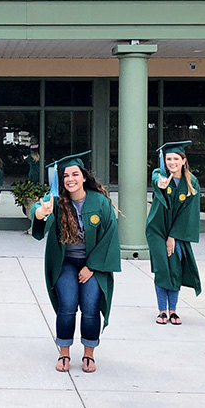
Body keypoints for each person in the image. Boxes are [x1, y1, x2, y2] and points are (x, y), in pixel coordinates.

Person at [31, 151, 121, 374]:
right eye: (65, 176)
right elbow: (39, 211)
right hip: (66, 262)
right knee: (67, 305)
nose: (70, 179)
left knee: (91, 307)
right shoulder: (56, 200)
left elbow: (110, 235)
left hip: (93, 264)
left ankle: (89, 354)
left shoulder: (99, 201)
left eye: (74, 174)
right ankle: (64, 353)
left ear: (83, 177)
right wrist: (41, 212)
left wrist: (91, 267)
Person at [145, 141, 202, 326]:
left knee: (175, 268)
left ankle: (174, 311)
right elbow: (157, 181)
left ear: (184, 160)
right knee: (163, 268)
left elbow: (187, 214)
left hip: (177, 232)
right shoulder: (159, 174)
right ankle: (162, 310)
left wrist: (173, 237)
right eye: (168, 158)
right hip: (157, 230)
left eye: (176, 158)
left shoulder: (191, 183)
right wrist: (161, 184)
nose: (172, 162)